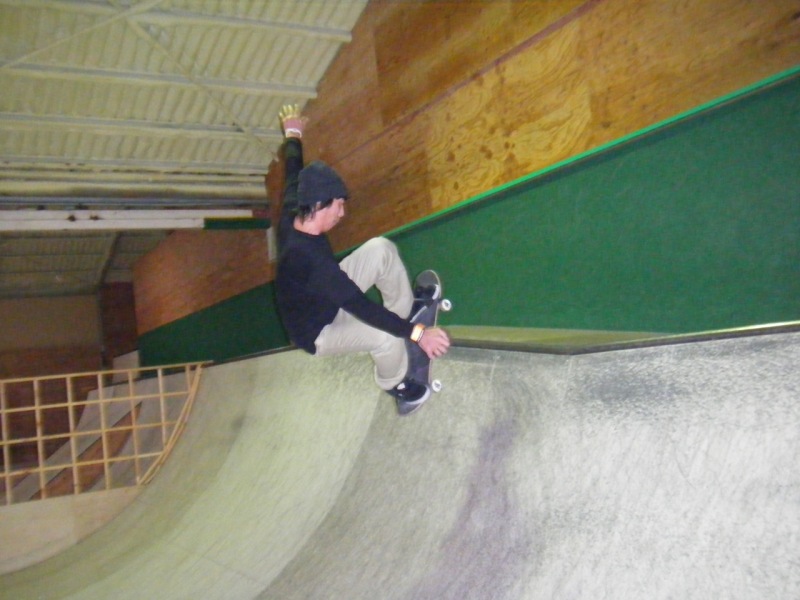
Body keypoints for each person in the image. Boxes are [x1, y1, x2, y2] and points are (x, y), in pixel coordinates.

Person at [274, 104, 450, 414]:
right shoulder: (309, 261)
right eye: (338, 206)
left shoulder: (294, 210)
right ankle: (395, 383)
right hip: (319, 332)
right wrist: (420, 335)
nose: (342, 213)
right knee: (384, 336)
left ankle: (404, 313)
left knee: (381, 249)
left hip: (324, 296)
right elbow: (360, 306)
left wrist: (293, 134)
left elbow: (292, 174)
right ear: (319, 205)